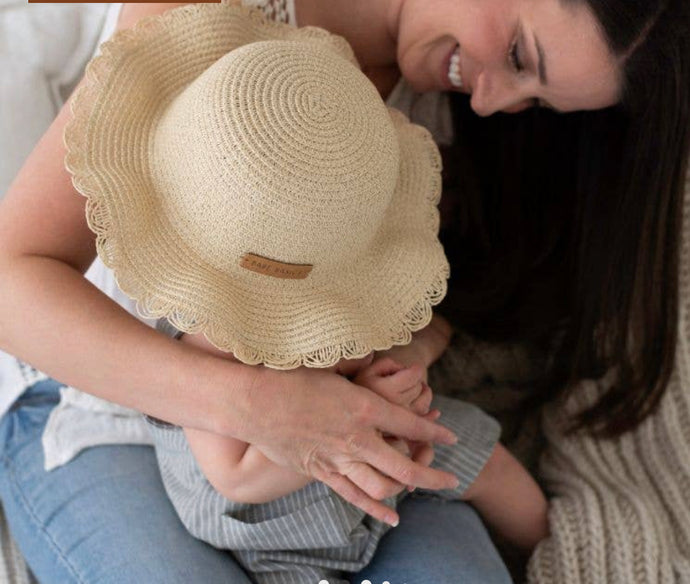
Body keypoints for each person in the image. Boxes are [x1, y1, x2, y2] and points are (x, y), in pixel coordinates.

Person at [0, 0, 687, 582]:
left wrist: (399, 365)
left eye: (537, 99)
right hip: (97, 406)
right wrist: (262, 408)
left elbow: (432, 316)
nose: (492, 99)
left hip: (343, 421)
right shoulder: (210, 24)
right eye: (515, 53)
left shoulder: (460, 130)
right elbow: (10, 280)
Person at [68, 32, 545, 583]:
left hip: (367, 446)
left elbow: (408, 335)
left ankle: (556, 551)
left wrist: (402, 370)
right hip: (270, 514)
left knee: (481, 457)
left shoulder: (347, 276)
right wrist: (358, 407)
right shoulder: (211, 330)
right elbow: (237, 477)